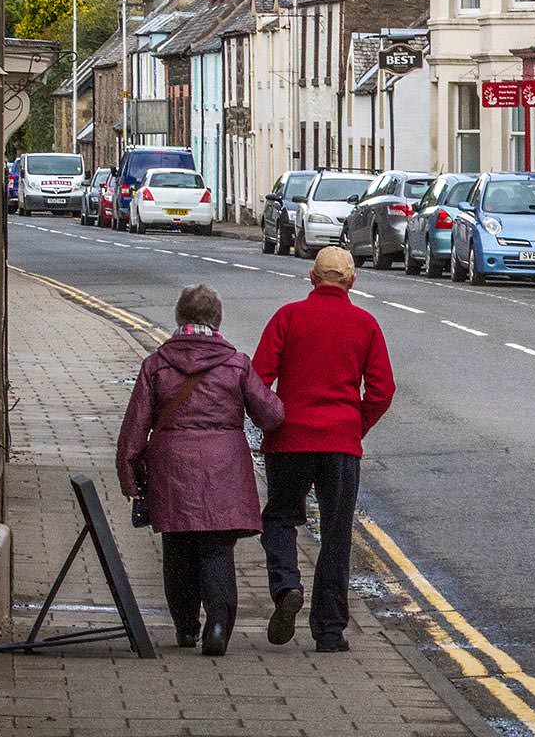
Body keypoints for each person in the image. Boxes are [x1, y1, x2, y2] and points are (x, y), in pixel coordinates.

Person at [117, 284, 284, 655]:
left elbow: (135, 426)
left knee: (177, 545)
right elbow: (271, 415)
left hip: (171, 466)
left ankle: (186, 628)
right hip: (224, 468)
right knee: (216, 547)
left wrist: (128, 474)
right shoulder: (236, 364)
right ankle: (220, 626)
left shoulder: (156, 364)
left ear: (180, 318)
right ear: (217, 320)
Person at [253, 246, 395, 652]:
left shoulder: (288, 317)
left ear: (311, 278)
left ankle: (285, 587)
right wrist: (355, 425)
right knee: (336, 535)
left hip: (289, 440)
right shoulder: (365, 324)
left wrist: (272, 421)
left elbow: (258, 378)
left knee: (280, 518)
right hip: (340, 444)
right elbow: (383, 390)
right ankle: (329, 631)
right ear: (352, 281)